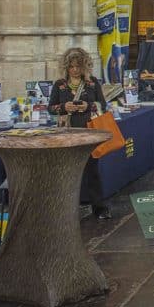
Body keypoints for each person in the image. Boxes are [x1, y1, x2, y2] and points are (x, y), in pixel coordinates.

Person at [48, 47, 112, 219]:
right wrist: (64, 107)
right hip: (67, 133)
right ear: (66, 68)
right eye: (72, 67)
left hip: (89, 132)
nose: (75, 70)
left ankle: (99, 207)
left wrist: (87, 106)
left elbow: (102, 105)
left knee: (92, 171)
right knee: (66, 171)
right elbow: (51, 108)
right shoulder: (59, 85)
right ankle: (66, 207)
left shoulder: (92, 83)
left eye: (78, 66)